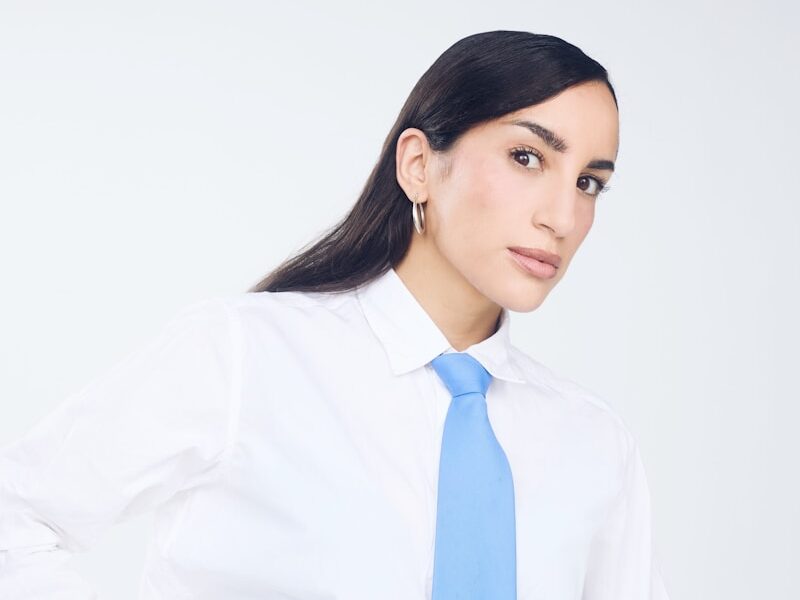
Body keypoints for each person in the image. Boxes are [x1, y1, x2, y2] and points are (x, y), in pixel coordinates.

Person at [0, 30, 670, 599]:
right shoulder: (246, 357)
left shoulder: (595, 446)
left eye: (589, 183)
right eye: (528, 157)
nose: (562, 216)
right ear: (418, 165)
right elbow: (18, 518)